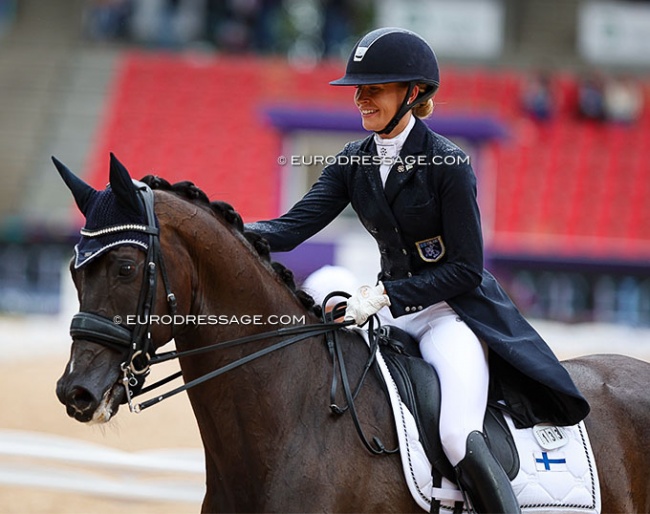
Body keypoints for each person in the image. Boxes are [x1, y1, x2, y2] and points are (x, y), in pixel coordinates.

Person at [246, 27, 590, 514]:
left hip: (451, 313)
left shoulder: (449, 164)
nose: (362, 99)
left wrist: (389, 296)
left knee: (456, 432)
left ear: (413, 92)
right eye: (358, 90)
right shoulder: (354, 162)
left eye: (375, 88)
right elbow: (287, 229)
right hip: (390, 310)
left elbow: (468, 270)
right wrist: (217, 225)